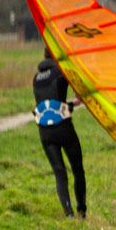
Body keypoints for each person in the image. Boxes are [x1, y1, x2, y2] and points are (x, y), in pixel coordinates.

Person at [34, 46, 86, 219]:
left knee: (59, 172)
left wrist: (70, 104)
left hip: (45, 133)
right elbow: (78, 83)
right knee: (77, 169)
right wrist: (78, 100)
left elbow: (49, 104)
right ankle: (82, 211)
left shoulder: (36, 78)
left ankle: (68, 213)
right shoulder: (60, 73)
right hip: (63, 128)